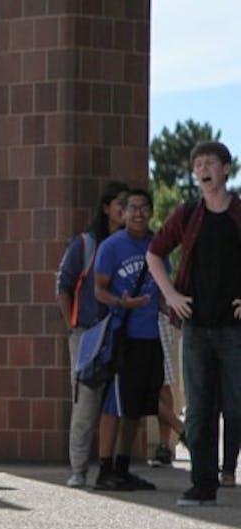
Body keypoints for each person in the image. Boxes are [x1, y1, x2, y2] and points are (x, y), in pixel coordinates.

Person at [147, 141, 241, 507]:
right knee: (199, 409)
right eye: (198, 164)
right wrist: (170, 294)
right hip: (196, 326)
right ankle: (202, 484)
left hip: (233, 329)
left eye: (210, 163)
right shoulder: (188, 214)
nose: (203, 169)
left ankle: (227, 467)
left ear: (225, 170)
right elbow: (154, 253)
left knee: (235, 406)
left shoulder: (238, 213)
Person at [56, 180, 129, 487]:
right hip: (89, 333)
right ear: (106, 208)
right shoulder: (86, 244)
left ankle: (113, 469)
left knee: (121, 403)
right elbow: (64, 286)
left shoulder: (135, 244)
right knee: (86, 402)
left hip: (126, 333)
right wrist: (72, 326)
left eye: (133, 205)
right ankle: (78, 470)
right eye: (121, 205)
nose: (128, 211)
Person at [91, 188, 164, 492]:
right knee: (114, 405)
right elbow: (99, 290)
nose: (138, 213)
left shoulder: (157, 245)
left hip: (151, 336)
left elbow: (162, 287)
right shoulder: (111, 247)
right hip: (124, 338)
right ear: (122, 212)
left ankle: (123, 467)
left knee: (137, 407)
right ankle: (105, 469)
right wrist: (121, 303)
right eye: (132, 207)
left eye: (144, 207)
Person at [147, 311, 186, 468]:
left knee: (163, 384)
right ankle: (181, 430)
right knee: (142, 389)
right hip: (136, 317)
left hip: (158, 316)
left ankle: (165, 445)